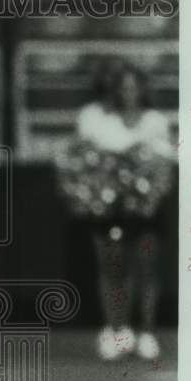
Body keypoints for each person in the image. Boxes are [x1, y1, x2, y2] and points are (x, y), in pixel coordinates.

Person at [59, 59, 175, 361]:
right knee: (112, 266)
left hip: (145, 208)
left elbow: (165, 159)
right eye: (123, 87)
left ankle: (147, 333)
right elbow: (79, 153)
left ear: (142, 90)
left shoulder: (154, 121)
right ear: (112, 90)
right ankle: (118, 331)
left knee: (146, 266)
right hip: (107, 206)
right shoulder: (93, 117)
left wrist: (143, 162)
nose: (129, 93)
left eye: (134, 87)